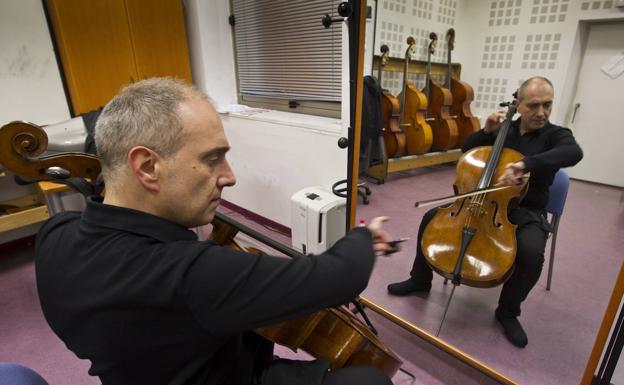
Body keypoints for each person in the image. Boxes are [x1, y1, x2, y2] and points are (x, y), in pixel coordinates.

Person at [35, 77, 394, 385]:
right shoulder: (191, 275)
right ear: (146, 167)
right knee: (370, 379)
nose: (229, 176)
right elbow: (339, 276)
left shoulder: (55, 235)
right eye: (212, 158)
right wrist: (363, 237)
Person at [387, 76, 583, 348]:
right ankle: (419, 279)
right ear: (519, 104)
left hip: (526, 210)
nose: (541, 113)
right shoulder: (505, 129)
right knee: (431, 218)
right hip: (484, 202)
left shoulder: (556, 135)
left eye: (547, 105)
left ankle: (508, 312)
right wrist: (487, 130)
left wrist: (526, 164)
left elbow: (573, 153)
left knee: (531, 251)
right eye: (533, 106)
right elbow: (468, 151)